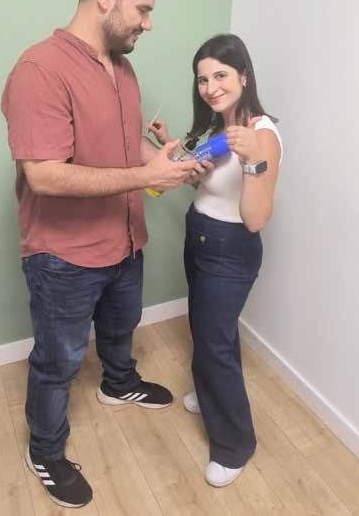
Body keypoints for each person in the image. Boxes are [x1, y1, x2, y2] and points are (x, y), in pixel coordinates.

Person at [1, 0, 198, 509]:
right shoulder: (39, 69)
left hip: (125, 241)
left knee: (120, 327)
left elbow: (124, 148)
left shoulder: (123, 69)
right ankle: (45, 449)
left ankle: (119, 383)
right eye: (144, 8)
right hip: (63, 256)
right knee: (58, 360)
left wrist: (167, 164)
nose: (149, 23)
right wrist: (145, 175)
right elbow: (44, 175)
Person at [148, 33, 283, 487]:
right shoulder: (216, 130)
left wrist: (252, 160)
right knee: (208, 334)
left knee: (214, 344)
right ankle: (209, 395)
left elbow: (255, 219)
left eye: (220, 75)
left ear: (243, 76)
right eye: (202, 79)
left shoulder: (262, 135)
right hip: (200, 238)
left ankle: (234, 446)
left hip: (230, 249)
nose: (210, 87)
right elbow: (201, 184)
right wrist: (172, 147)